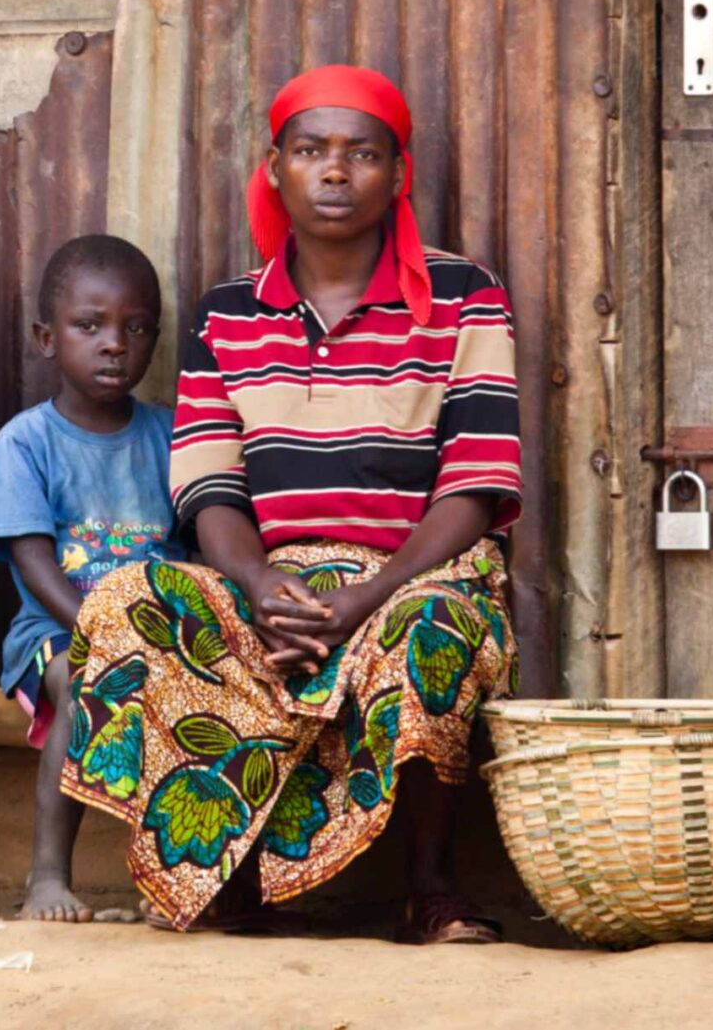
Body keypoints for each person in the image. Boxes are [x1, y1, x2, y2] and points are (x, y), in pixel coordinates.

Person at [59, 65, 521, 943]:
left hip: (422, 573)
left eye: (363, 153)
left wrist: (364, 597)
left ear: (399, 173)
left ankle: (431, 886)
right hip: (272, 581)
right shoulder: (227, 313)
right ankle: (219, 880)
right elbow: (209, 486)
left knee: (433, 627)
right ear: (276, 168)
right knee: (130, 601)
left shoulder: (466, 296)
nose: (336, 171)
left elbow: (476, 483)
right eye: (312, 151)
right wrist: (259, 581)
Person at [0, 233, 178, 924]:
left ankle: (174, 874)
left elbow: (201, 544)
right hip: (53, 632)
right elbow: (32, 564)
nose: (115, 343)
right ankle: (48, 875)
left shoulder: (172, 437)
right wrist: (103, 629)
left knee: (190, 695)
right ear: (46, 337)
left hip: (156, 631)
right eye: (90, 325)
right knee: (83, 681)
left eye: (136, 327)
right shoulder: (26, 442)